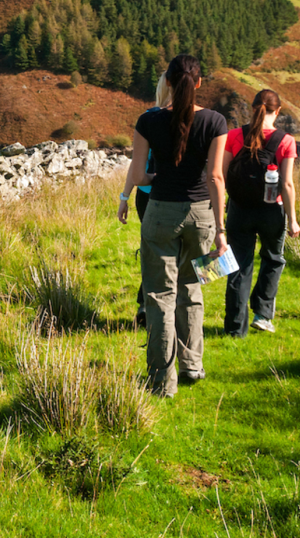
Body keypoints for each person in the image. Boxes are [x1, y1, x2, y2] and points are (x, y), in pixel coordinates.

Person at [118, 55, 228, 398]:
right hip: (201, 216)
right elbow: (215, 177)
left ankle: (162, 381)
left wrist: (156, 178)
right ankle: (192, 364)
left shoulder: (148, 121)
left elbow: (139, 175)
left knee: (159, 296)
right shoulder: (215, 121)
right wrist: (221, 230)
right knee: (192, 288)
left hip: (160, 214)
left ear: (167, 81)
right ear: (199, 82)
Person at [222, 89, 300, 337]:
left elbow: (221, 176)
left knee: (238, 266)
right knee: (273, 259)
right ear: (278, 112)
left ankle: (235, 328)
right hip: (272, 211)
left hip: (239, 210)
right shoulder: (286, 141)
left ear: (253, 107)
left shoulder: (234, 135)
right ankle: (263, 315)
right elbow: (287, 184)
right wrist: (293, 219)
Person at [118, 72, 169, 327]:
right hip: (183, 197)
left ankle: (146, 304)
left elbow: (136, 165)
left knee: (154, 251)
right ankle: (169, 306)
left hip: (147, 195)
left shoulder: (148, 118)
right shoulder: (204, 118)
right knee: (181, 253)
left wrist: (125, 197)